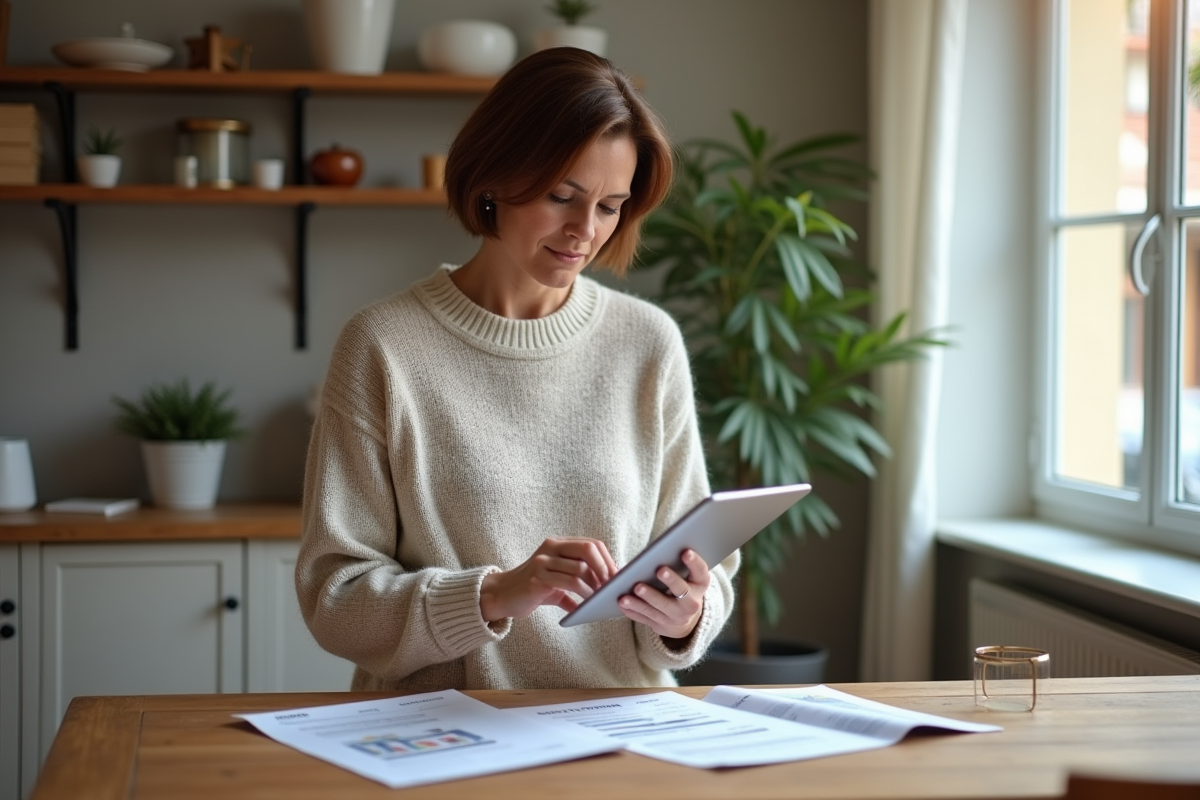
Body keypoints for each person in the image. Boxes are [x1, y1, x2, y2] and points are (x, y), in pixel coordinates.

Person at [296, 47, 738, 693]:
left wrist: (686, 613)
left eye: (611, 206)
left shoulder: (647, 343)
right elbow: (334, 603)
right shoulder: (383, 346)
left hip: (621, 736)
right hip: (443, 738)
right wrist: (498, 593)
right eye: (563, 195)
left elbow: (705, 569)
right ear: (493, 177)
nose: (586, 231)